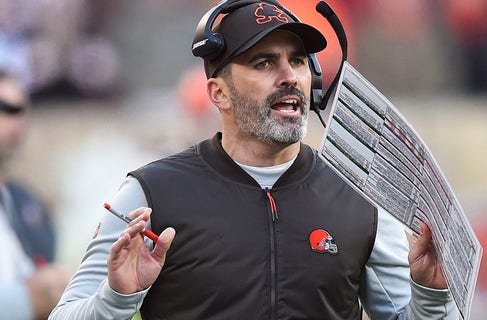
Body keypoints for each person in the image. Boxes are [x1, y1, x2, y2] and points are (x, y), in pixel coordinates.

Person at [49, 1, 460, 319]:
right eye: (264, 62)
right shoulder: (151, 192)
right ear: (219, 94)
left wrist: (429, 292)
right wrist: (116, 298)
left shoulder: (359, 197)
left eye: (297, 61)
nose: (289, 76)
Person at [0, 71, 69, 320]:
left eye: (22, 109)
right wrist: (26, 299)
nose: (17, 120)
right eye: (6, 108)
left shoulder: (23, 201)